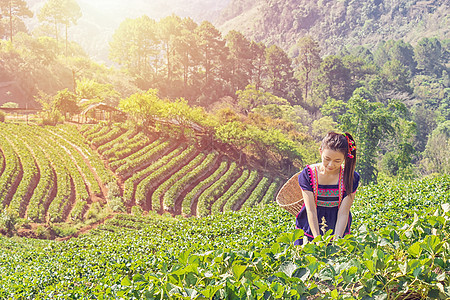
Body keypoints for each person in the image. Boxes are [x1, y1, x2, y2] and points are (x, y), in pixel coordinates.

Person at [294, 132, 360, 245]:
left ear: (345, 158)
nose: (330, 165)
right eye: (327, 159)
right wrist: (317, 239)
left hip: (337, 226)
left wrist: (337, 240)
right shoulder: (308, 174)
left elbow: (343, 212)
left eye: (337, 161)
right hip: (309, 227)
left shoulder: (350, 177)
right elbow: (311, 210)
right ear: (320, 151)